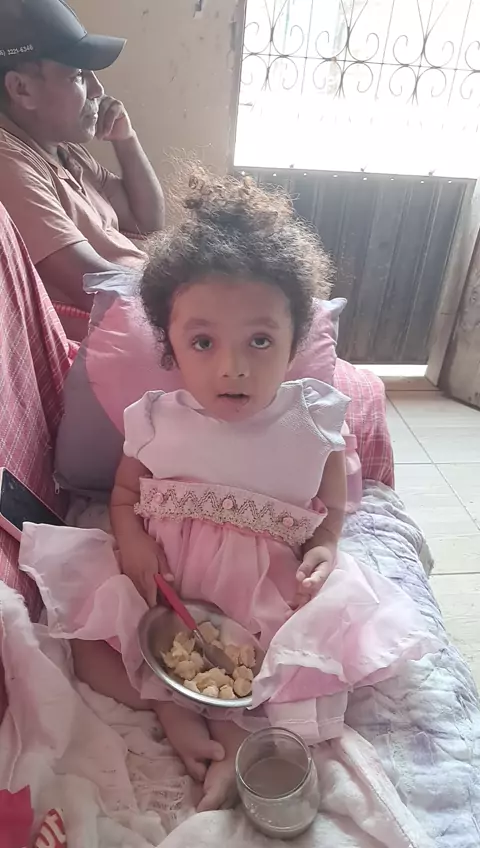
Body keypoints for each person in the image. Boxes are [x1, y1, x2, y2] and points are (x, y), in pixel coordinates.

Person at [26, 169, 439, 812]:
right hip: (167, 583)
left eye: (260, 340)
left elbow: (332, 509)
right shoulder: (156, 419)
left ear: (294, 343)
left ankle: (228, 730)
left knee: (301, 671)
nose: (233, 367)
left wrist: (326, 547)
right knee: (87, 643)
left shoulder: (314, 421)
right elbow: (125, 496)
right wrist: (132, 543)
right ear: (170, 347)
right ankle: (174, 711)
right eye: (203, 342)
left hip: (263, 590)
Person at [0, 0, 164, 340]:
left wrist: (126, 139)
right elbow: (92, 284)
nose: (98, 90)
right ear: (22, 89)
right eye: (78, 75)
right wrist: (189, 294)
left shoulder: (63, 149)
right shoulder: (9, 164)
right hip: (110, 340)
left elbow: (146, 221)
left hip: (142, 310)